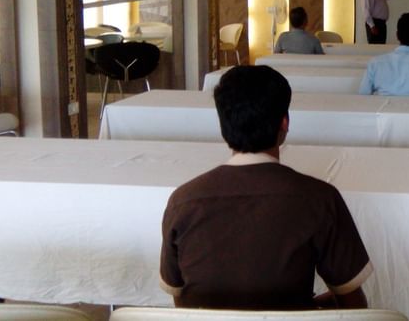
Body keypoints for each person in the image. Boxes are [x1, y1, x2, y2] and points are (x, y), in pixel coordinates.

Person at [160, 65, 373, 310]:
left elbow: (181, 299)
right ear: (284, 122)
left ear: (223, 124)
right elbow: (353, 305)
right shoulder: (321, 199)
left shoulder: (182, 201)